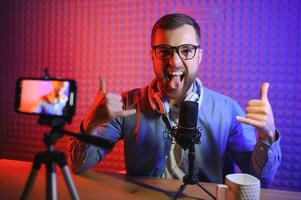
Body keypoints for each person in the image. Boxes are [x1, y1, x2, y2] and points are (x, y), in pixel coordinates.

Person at [69, 13, 281, 187]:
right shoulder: (127, 105)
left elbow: (260, 181)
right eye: (164, 51)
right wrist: (90, 124)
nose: (175, 61)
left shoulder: (227, 110)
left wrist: (266, 137)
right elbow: (78, 166)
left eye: (187, 50)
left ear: (199, 56)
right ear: (152, 56)